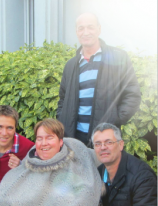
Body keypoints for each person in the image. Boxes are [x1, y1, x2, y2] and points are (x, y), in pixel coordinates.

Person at [57, 13, 141, 146]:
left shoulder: (118, 58)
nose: (86, 32)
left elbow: (132, 94)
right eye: (81, 28)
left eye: (90, 27)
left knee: (103, 168)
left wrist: (115, 119)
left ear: (99, 29)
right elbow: (62, 98)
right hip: (73, 138)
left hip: (105, 138)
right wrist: (62, 119)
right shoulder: (71, 65)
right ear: (76, 31)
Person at [92, 123, 157, 206]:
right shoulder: (97, 174)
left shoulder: (142, 176)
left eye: (109, 142)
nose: (103, 147)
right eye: (98, 144)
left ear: (121, 145)